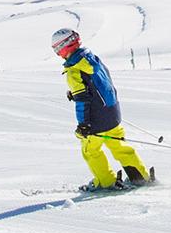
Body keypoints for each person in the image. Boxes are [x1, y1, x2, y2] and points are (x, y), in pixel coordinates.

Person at [52, 28, 151, 192]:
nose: (58, 53)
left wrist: (84, 124)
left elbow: (82, 100)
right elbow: (99, 82)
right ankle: (140, 176)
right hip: (112, 112)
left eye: (57, 49)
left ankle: (105, 182)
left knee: (90, 150)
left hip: (95, 119)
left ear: (65, 46)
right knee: (120, 147)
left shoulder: (74, 70)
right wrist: (77, 93)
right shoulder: (91, 58)